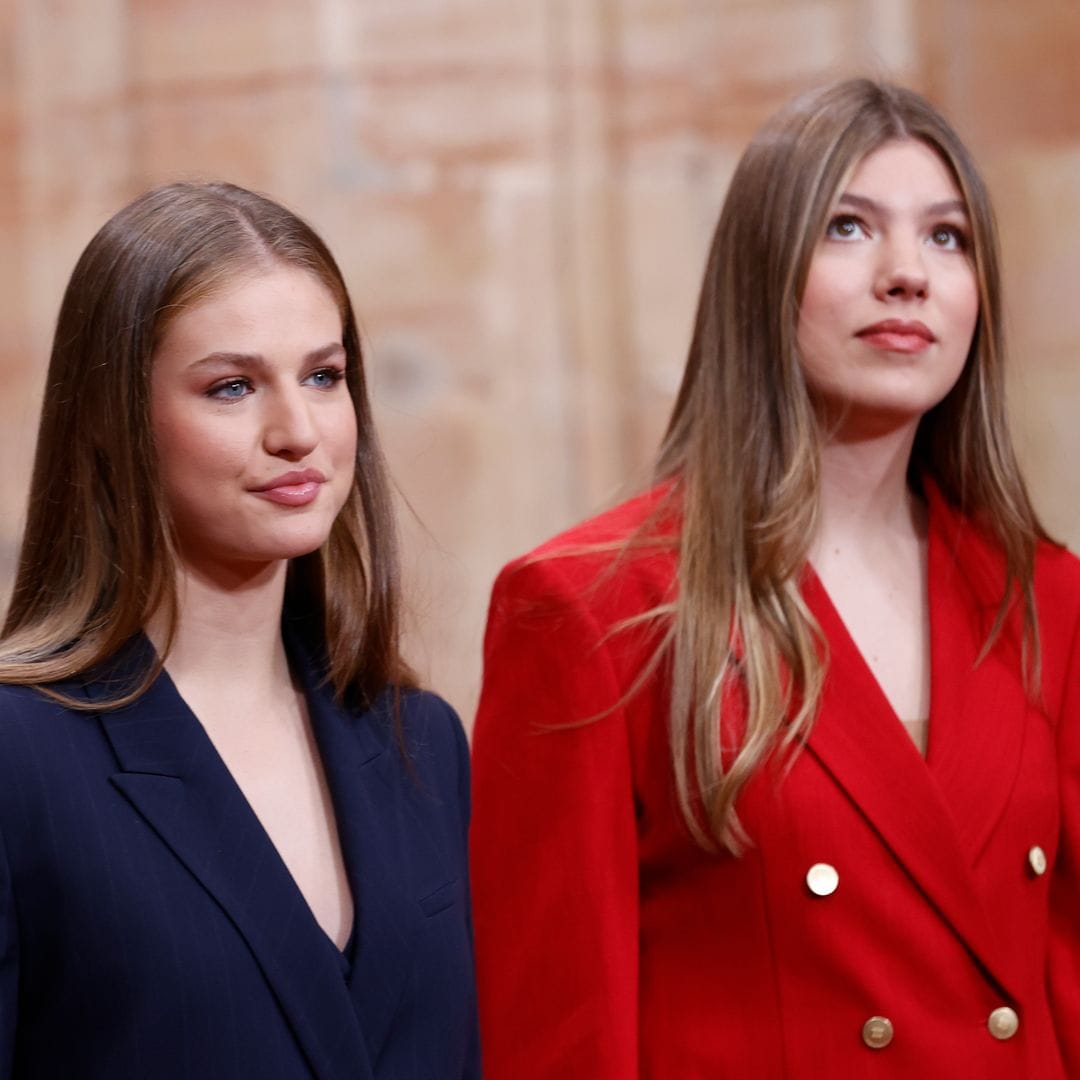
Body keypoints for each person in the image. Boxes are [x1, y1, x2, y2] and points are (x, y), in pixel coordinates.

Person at [470, 78, 1080, 1078]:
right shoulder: (592, 609)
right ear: (762, 277)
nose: (907, 275)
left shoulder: (1047, 597)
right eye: (848, 228)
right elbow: (558, 1039)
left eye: (946, 237)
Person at [0, 182, 479, 1079]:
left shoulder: (423, 743)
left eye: (324, 377)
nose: (298, 431)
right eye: (231, 386)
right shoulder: (19, 758)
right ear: (113, 422)